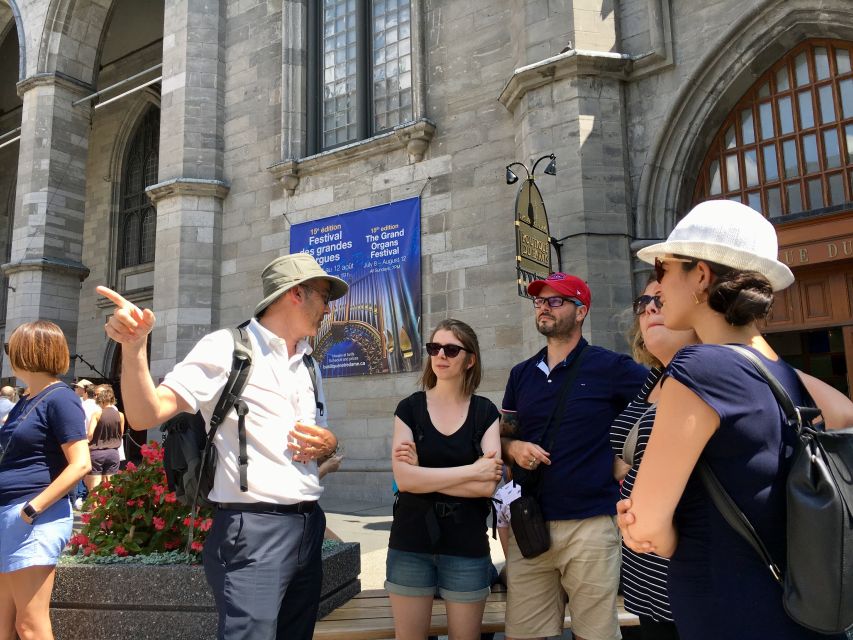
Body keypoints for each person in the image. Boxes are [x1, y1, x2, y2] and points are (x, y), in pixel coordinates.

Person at [622, 200, 850, 640]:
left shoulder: (698, 368)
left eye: (665, 269)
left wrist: (654, 534)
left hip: (726, 610)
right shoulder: (780, 371)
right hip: (796, 608)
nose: (658, 288)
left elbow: (646, 525)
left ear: (701, 276)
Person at [96, 252, 347, 640]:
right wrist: (134, 348)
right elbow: (147, 414)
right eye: (324, 297)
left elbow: (321, 437)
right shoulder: (227, 348)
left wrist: (328, 443)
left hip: (309, 526)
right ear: (296, 294)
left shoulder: (308, 364)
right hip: (253, 531)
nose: (329, 309)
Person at [500, 273, 648, 640]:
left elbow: (663, 401)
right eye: (539, 301)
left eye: (555, 301)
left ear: (581, 312)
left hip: (591, 526)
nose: (543, 307)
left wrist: (628, 459)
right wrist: (512, 449)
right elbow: (503, 436)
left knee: (595, 634)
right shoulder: (521, 375)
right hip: (530, 524)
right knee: (525, 634)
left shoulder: (609, 366)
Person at [388, 319, 502, 640]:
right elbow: (404, 480)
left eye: (451, 349)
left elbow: (488, 484)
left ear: (470, 359)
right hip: (411, 541)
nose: (441, 355)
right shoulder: (409, 409)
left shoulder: (485, 412)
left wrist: (423, 473)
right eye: (434, 348)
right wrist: (471, 470)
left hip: (467, 545)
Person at [0, 320, 91, 639]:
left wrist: (31, 509)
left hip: (33, 517)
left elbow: (81, 464)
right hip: (10, 515)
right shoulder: (25, 399)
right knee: (5, 626)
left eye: (11, 348)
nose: (8, 355)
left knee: (30, 625)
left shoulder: (61, 398)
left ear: (31, 352)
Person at [84, 384, 125, 492]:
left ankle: (95, 508)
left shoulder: (97, 414)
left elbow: (90, 434)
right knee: (110, 486)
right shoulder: (120, 415)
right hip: (113, 453)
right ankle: (107, 508)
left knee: (95, 487)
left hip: (97, 453)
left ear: (101, 399)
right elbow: (121, 433)